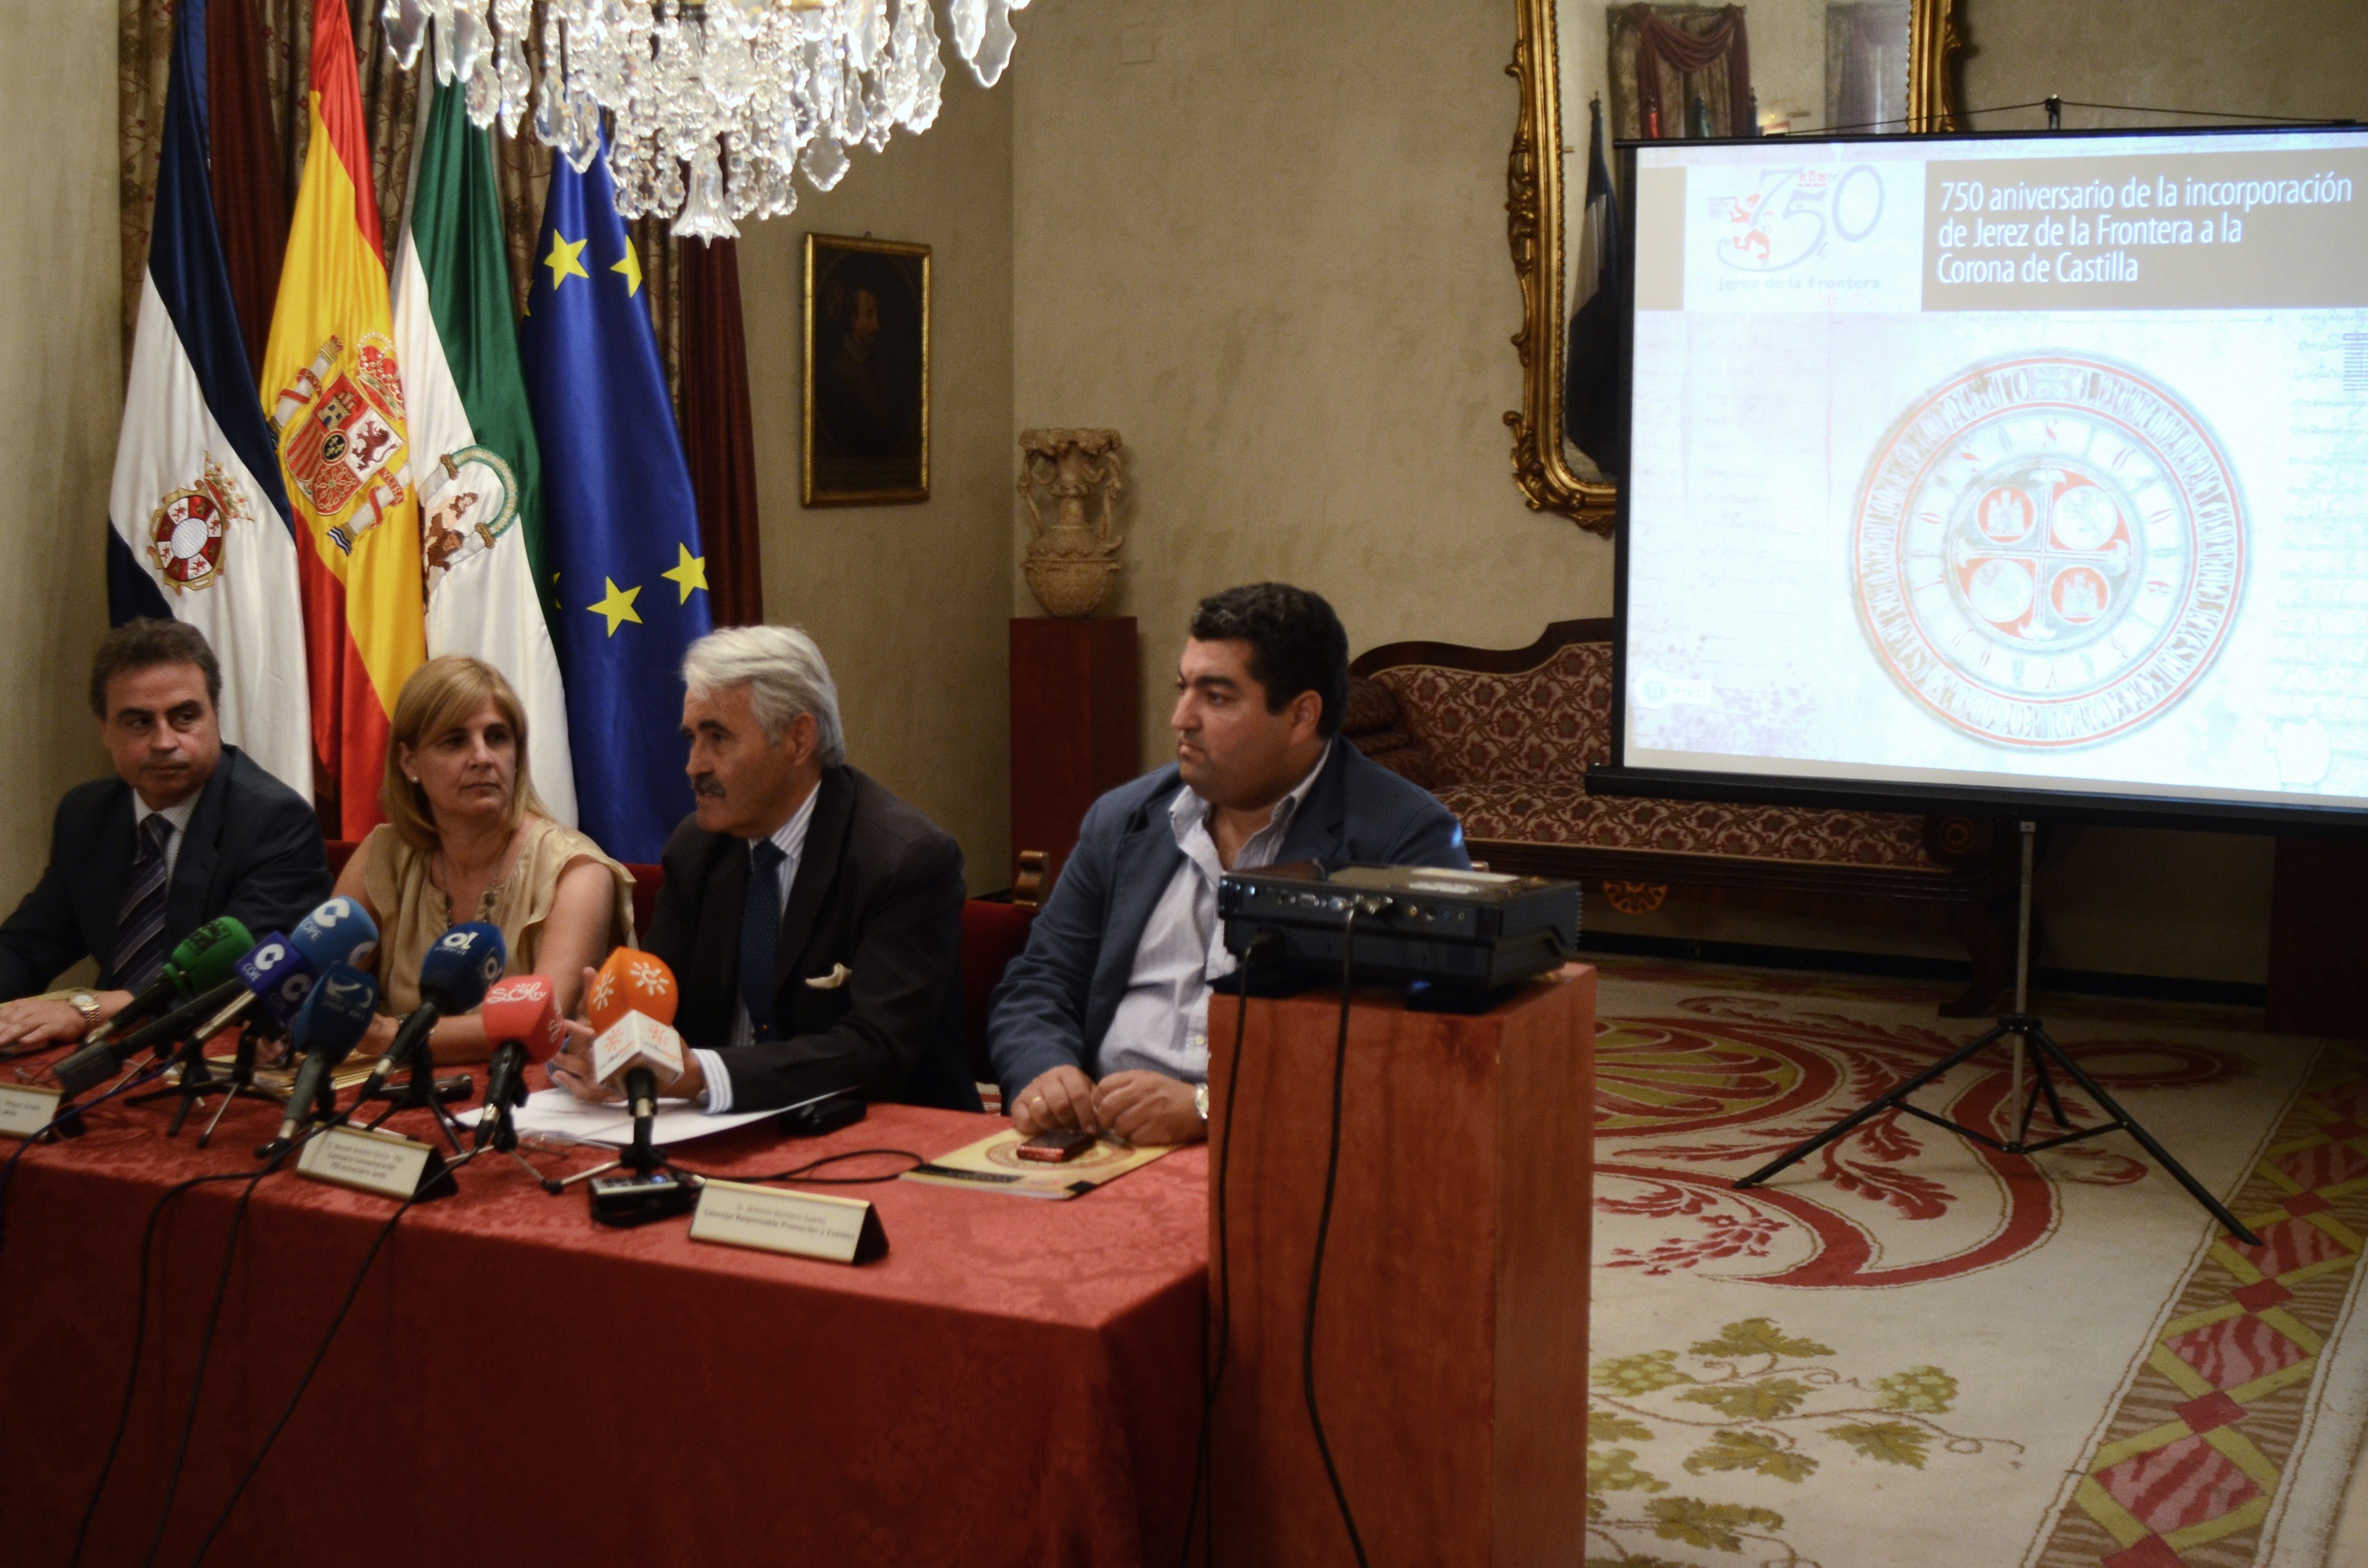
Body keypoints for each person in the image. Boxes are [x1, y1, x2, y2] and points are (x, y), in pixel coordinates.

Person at [988, 583, 1470, 1146]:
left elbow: (1424, 1048)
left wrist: (1211, 1106)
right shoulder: (1124, 819)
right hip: (1101, 1137)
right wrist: (1046, 1069)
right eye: (1183, 688)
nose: (1181, 719)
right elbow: (1041, 981)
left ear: (1301, 716)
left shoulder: (1404, 837)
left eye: (1216, 697)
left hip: (1281, 1152)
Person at [547, 625, 978, 1113]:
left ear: (797, 739)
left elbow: (876, 1051)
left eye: (718, 739)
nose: (693, 766)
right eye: (692, 739)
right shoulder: (696, 849)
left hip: (883, 1131)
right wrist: (611, 1045)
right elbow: (662, 1008)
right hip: (711, 1126)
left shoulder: (904, 861)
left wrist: (702, 1075)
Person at [0, 619, 329, 1045]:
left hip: (217, 1047)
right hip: (109, 1050)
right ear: (104, 729)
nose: (164, 741)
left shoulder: (275, 819)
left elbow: (242, 975)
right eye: (139, 722)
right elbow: (29, 945)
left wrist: (87, 1011)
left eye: (185, 717)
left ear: (215, 714)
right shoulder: (87, 814)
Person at [333, 656, 632, 1065]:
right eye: (455, 741)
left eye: (497, 737)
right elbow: (326, 986)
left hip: (524, 1094)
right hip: (396, 1086)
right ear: (409, 762)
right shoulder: (384, 856)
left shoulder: (576, 872)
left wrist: (392, 1035)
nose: (483, 757)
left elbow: (542, 1019)